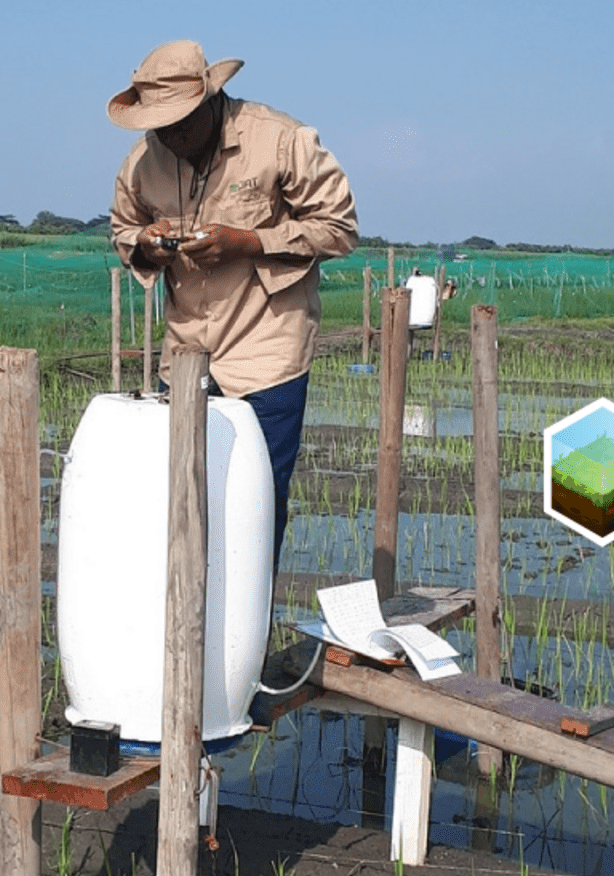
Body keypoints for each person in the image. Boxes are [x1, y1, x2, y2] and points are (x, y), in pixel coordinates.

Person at [108, 40, 358, 566]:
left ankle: (247, 643)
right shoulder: (141, 163)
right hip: (185, 354)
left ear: (209, 102)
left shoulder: (281, 139)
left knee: (256, 503)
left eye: (179, 122)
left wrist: (246, 242)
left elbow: (338, 229)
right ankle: (183, 634)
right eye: (158, 125)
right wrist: (146, 245)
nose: (169, 135)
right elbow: (124, 230)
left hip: (267, 352)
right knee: (176, 495)